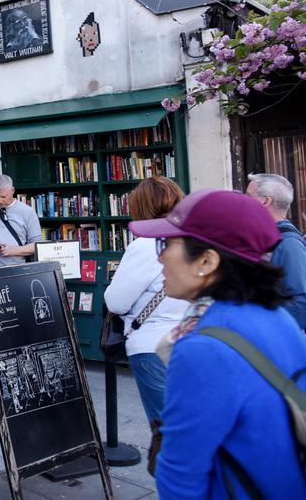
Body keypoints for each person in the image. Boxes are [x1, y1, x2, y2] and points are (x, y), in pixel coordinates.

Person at [130, 189, 306, 498]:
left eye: (166, 244)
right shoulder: (275, 315)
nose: (160, 257)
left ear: (207, 261)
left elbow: (180, 473)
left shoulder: (203, 348)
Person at [102, 177, 189, 424]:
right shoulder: (197, 239)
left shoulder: (145, 245)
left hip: (155, 345)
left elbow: (117, 302)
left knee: (168, 429)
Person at [246, 173, 306, 329]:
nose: (244, 201)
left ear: (266, 201)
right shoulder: (269, 238)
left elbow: (302, 303)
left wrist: (259, 322)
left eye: (248, 196)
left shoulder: (289, 244)